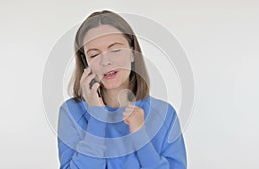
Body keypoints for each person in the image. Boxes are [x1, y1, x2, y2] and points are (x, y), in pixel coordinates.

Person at [57, 10, 187, 169]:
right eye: (94, 55)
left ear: (133, 54)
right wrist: (97, 115)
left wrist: (140, 135)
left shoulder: (164, 113)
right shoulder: (71, 112)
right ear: (86, 63)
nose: (106, 61)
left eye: (115, 50)